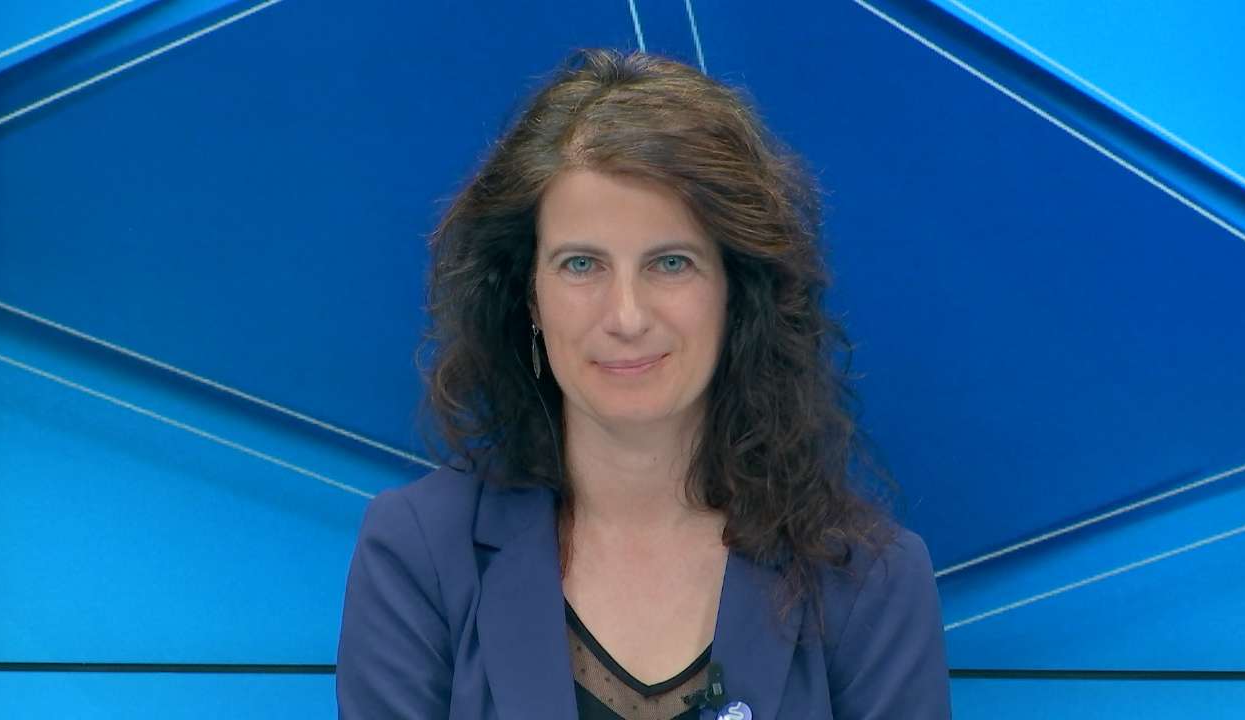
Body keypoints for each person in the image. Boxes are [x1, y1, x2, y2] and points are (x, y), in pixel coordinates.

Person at [336, 48, 951, 719]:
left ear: (734, 290)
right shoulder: (420, 552)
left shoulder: (870, 581)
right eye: (581, 264)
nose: (626, 317)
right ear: (531, 296)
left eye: (670, 263)